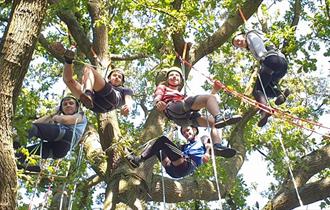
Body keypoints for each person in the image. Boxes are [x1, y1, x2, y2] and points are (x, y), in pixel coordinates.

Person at [153, 66, 242, 151]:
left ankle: (217, 145)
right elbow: (158, 95)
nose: (174, 77)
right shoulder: (164, 87)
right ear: (167, 79)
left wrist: (214, 91)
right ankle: (218, 117)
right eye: (171, 75)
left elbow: (204, 103)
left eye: (177, 75)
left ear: (180, 80)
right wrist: (157, 103)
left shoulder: (182, 95)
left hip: (184, 120)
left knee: (213, 123)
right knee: (209, 100)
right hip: (174, 107)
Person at [51, 42, 133, 114]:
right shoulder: (103, 83)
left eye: (119, 77)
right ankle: (68, 60)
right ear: (109, 78)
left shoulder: (125, 90)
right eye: (114, 75)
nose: (117, 77)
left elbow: (128, 98)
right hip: (96, 105)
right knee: (68, 80)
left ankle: (88, 94)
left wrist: (128, 107)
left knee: (88, 68)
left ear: (122, 83)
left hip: (111, 98)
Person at [126, 126, 236, 178]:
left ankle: (138, 160)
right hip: (172, 170)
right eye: (183, 133)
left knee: (162, 140)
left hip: (187, 165)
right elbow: (171, 149)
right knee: (158, 146)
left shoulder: (202, 138)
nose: (186, 133)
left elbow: (208, 144)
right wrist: (172, 131)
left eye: (187, 130)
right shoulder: (184, 147)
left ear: (194, 130)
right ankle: (137, 157)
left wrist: (207, 152)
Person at [232, 30, 290, 127]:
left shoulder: (250, 34)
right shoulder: (258, 39)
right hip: (282, 65)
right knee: (266, 89)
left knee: (257, 91)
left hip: (272, 60)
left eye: (238, 40)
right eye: (237, 45)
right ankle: (281, 93)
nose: (239, 44)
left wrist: (262, 57)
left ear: (242, 35)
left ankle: (265, 110)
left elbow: (257, 44)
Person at [16, 96, 88, 172]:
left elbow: (64, 120)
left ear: (77, 107)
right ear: (61, 109)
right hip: (58, 151)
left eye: (71, 103)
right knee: (23, 152)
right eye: (65, 104)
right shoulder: (59, 123)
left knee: (33, 128)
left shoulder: (80, 115)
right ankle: (23, 163)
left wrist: (55, 117)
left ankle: (16, 143)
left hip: (67, 137)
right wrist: (52, 113)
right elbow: (35, 124)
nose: (68, 105)